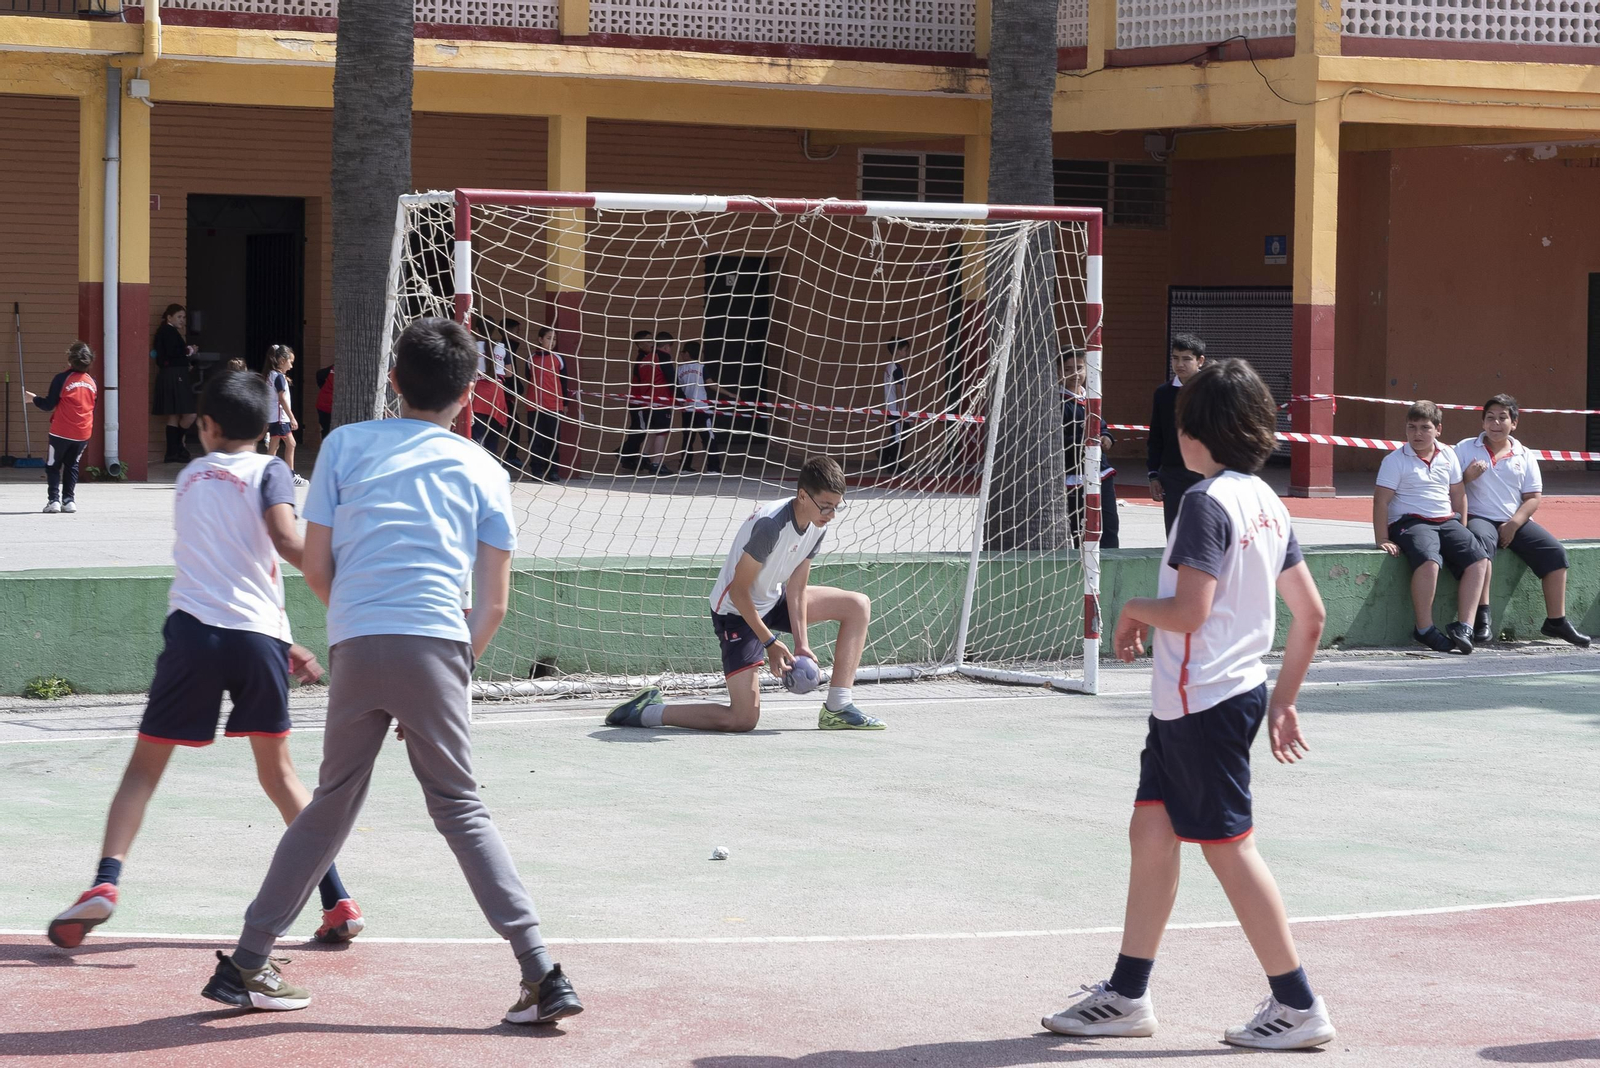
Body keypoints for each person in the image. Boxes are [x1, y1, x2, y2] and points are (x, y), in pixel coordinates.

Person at [200, 318, 581, 1026]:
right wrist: (443, 678)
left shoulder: (345, 445)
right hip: (438, 643)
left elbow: (317, 565)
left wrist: (357, 625)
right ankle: (540, 972)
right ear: (470, 393)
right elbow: (494, 603)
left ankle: (247, 960)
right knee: (459, 807)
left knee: (331, 802)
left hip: (356, 638)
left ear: (394, 380)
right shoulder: (486, 470)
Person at [1042, 358, 1335, 1051]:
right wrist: (1283, 701)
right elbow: (1312, 615)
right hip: (1218, 699)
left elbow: (1191, 610)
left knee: (1230, 849)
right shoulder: (1266, 502)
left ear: (1195, 432)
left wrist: (1132, 609)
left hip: (1203, 702)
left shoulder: (1207, 503)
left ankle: (1298, 1004)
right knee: (1151, 831)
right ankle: (1127, 994)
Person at [47, 371, 363, 952]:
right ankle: (336, 900)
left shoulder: (189, 477)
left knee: (143, 772)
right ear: (267, 430)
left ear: (206, 426)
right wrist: (343, 588)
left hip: (193, 635)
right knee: (281, 777)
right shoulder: (272, 471)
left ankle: (106, 882)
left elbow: (219, 567)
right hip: (259, 640)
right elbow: (283, 545)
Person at [607, 456, 885, 733]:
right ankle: (647, 711)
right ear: (802, 495)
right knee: (742, 719)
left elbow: (797, 587)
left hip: (773, 598)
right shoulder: (771, 526)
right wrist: (770, 642)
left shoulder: (817, 524)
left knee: (857, 605)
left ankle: (838, 708)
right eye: (826, 506)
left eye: (836, 507)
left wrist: (802, 645)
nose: (831, 514)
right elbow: (739, 592)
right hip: (736, 612)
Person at [1456, 394, 1590, 648]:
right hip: (1478, 517)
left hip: (1514, 520)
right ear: (1483, 422)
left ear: (1514, 423)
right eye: (1490, 418)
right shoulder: (1464, 448)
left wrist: (1514, 524)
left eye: (1502, 418)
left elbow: (1533, 498)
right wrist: (1467, 476)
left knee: (1554, 552)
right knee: (1482, 546)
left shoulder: (1524, 454)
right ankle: (1482, 617)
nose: (1496, 423)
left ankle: (1556, 621)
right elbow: (1449, 484)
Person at [1373, 400, 1489, 654]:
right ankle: (1424, 629)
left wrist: (1462, 528)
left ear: (1438, 429)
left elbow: (1458, 493)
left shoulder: (1448, 454)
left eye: (1425, 427)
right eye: (1411, 427)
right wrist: (1382, 538)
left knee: (1479, 559)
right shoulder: (1394, 460)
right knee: (1429, 561)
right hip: (1410, 522)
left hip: (1446, 520)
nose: (1417, 433)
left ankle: (1465, 627)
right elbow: (1381, 501)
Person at [25, 341, 98, 515]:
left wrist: (33, 399)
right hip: (83, 432)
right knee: (72, 465)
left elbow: (49, 404)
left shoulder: (61, 379)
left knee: (53, 465)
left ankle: (54, 501)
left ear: (69, 360)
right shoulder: (92, 382)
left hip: (61, 431)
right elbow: (92, 406)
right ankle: (69, 500)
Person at [1147, 333, 1206, 533]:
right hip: (1173, 475)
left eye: (1187, 359)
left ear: (1200, 361)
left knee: (1204, 533)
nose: (1180, 364)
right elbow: (1156, 437)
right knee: (1175, 534)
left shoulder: (1214, 390)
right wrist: (1153, 475)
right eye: (1175, 358)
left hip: (1206, 473)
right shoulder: (1163, 393)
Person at [1060, 348, 1119, 549]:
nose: (1075, 374)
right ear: (1059, 371)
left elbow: (1102, 425)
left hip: (1100, 473)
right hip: (1074, 476)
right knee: (1081, 529)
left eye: (1079, 368)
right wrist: (1084, 439)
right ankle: (1084, 565)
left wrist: (1106, 437)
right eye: (1068, 369)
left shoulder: (1091, 397)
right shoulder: (1058, 402)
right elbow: (1057, 440)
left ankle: (1110, 562)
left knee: (1109, 526)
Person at [153, 303, 199, 463]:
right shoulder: (168, 331)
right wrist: (189, 351)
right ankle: (178, 446)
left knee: (173, 415)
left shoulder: (166, 331)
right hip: (175, 376)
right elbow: (173, 352)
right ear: (169, 317)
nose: (182, 320)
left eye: (184, 317)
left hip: (171, 375)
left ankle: (172, 452)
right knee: (190, 414)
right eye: (179, 317)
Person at [524, 325, 570, 483]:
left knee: (553, 439)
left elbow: (564, 382)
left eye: (554, 339)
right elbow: (528, 377)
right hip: (534, 405)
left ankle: (553, 471)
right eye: (549, 338)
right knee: (535, 440)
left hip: (554, 405)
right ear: (540, 339)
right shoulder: (531, 359)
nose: (552, 342)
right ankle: (536, 471)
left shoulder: (558, 359)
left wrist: (565, 403)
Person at [263, 345, 305, 485]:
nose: (291, 366)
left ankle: (266, 475)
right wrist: (292, 417)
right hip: (280, 418)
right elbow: (282, 399)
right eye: (290, 362)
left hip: (275, 417)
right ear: (282, 360)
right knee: (291, 444)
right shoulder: (279, 377)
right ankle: (290, 475)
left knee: (274, 446)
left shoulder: (271, 375)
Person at [617, 328, 655, 472]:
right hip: (638, 401)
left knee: (639, 428)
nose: (652, 343)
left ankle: (627, 455)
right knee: (640, 429)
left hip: (642, 400)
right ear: (639, 344)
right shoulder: (642, 359)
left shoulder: (649, 357)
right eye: (648, 340)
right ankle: (625, 454)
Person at [675, 340, 716, 474]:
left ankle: (684, 466)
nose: (681, 354)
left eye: (682, 352)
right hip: (701, 407)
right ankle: (713, 467)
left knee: (688, 438)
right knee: (708, 437)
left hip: (687, 408)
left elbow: (677, 388)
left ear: (687, 353)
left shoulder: (679, 369)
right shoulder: (701, 367)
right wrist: (730, 394)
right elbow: (711, 384)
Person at [878, 338, 910, 476]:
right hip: (896, 408)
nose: (907, 353)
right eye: (905, 350)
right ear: (898, 350)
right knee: (899, 435)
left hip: (890, 406)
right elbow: (898, 390)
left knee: (901, 432)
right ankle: (893, 463)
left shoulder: (888, 367)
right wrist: (902, 410)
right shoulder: (897, 369)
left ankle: (885, 453)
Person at [315, 365, 334, 439]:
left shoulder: (332, 368)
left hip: (323, 404)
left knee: (326, 430)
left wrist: (323, 387)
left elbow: (319, 374)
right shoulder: (333, 368)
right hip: (327, 405)